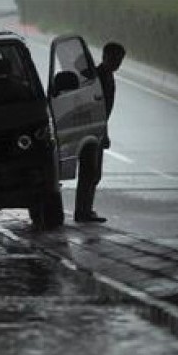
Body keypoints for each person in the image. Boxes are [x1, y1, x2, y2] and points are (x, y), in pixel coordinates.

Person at [75, 41, 125, 223]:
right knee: (89, 171)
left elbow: (104, 111)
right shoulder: (97, 78)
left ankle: (86, 209)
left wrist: (105, 132)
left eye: (120, 61)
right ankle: (82, 211)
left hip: (98, 130)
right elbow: (94, 108)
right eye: (114, 59)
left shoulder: (108, 76)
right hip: (90, 132)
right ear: (105, 57)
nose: (117, 64)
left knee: (94, 173)